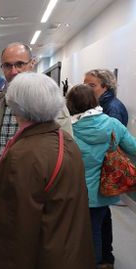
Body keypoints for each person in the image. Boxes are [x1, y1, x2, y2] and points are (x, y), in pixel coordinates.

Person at [0, 73, 95, 269]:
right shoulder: (66, 140)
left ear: (16, 105)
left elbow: (12, 228)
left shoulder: (23, 155)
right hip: (66, 251)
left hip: (40, 256)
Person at [0, 42, 73, 174]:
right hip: (1, 179)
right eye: (7, 65)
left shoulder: (51, 103)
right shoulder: (0, 102)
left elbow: (65, 151)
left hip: (32, 185)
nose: (14, 71)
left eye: (19, 64)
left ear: (32, 63)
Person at [66, 84, 136, 268]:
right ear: (94, 101)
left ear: (70, 104)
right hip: (104, 190)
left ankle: (90, 261)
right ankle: (103, 260)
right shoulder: (112, 124)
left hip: (76, 192)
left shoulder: (67, 129)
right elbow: (134, 148)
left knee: (84, 231)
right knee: (99, 225)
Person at [84, 69, 128, 268]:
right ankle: (104, 257)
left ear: (105, 87)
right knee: (101, 219)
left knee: (98, 222)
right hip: (99, 176)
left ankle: (102, 259)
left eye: (92, 85)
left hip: (104, 174)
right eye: (85, 84)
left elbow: (115, 142)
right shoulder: (100, 105)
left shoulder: (112, 109)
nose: (86, 88)